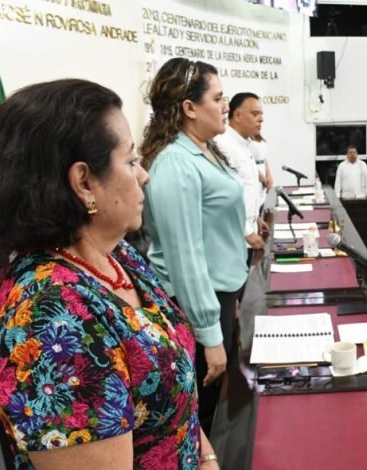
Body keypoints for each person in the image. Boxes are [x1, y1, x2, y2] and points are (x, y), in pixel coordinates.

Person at [0, 79, 217, 468]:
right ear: (84, 182)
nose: (144, 175)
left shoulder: (116, 256)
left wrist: (207, 457)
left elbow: (174, 392)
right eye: (131, 162)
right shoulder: (51, 320)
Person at [141, 58, 248, 438]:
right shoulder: (175, 162)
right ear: (189, 107)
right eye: (217, 99)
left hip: (219, 296)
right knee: (205, 415)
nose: (225, 106)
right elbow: (185, 258)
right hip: (195, 307)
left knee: (220, 407)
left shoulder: (204, 150)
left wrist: (233, 293)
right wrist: (210, 335)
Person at [217, 92, 269, 264]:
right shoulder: (223, 145)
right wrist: (247, 231)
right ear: (238, 116)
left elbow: (247, 188)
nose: (261, 119)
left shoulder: (244, 145)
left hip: (248, 232)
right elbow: (224, 198)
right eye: (255, 114)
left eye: (261, 114)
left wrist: (256, 218)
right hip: (235, 237)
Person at [250, 133, 273, 214]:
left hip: (263, 170)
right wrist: (263, 179)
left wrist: (269, 175)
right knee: (255, 204)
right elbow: (250, 162)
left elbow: (263, 158)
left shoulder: (259, 136)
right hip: (254, 173)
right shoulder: (246, 140)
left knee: (265, 203)